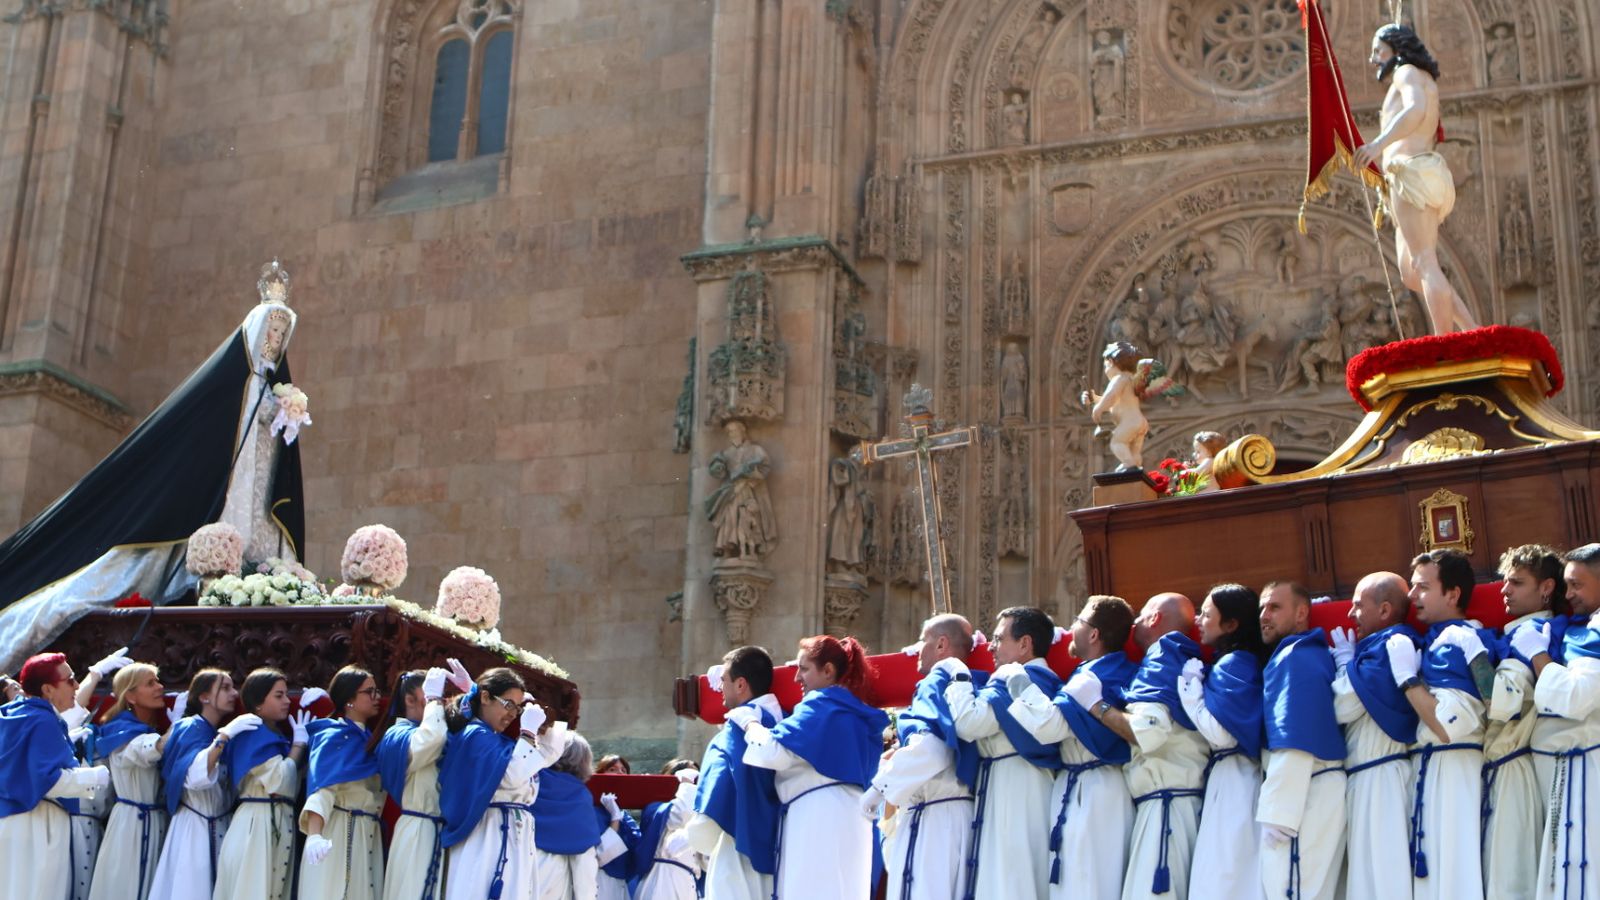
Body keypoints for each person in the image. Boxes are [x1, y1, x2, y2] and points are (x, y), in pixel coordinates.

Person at [0, 280, 307, 674]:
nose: (276, 339)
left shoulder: (274, 388)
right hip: (222, 497)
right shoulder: (228, 388)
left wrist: (286, 414)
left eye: (282, 334)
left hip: (257, 497)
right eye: (272, 331)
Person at [736, 635, 889, 900]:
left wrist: (749, 722)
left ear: (828, 671)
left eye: (804, 668)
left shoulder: (821, 704)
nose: (796, 678)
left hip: (817, 819)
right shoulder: (856, 712)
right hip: (853, 820)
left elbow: (771, 751)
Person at [1008, 596, 1139, 900]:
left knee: (1093, 881)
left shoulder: (1105, 674)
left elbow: (1049, 727)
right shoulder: (1087, 672)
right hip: (1075, 785)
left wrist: (1015, 678)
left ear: (1093, 634)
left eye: (1078, 621)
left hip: (1100, 789)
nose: (1069, 628)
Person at [1353, 24, 1479, 334]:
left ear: (1396, 50)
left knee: (1424, 262)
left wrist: (1377, 145)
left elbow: (1415, 109)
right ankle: (1472, 330)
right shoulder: (1419, 77)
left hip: (1411, 173)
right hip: (1416, 175)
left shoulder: (1406, 72)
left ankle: (1444, 342)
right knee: (1411, 272)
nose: (1373, 59)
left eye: (1378, 51)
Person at [1392, 549, 1496, 900]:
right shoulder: (1437, 640)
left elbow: (1448, 725)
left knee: (1453, 876)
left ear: (1452, 594)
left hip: (1455, 769)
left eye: (1422, 587)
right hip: (1435, 768)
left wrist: (1407, 678)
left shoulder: (1459, 641)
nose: (1411, 596)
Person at [1092, 593, 1205, 900]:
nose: (1135, 624)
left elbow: (1147, 732)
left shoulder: (1163, 656)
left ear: (1155, 618)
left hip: (1166, 812)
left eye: (1140, 616)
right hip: (1172, 806)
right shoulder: (1176, 657)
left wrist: (1096, 705)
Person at [863, 614, 983, 900]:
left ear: (941, 644)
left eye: (923, 640)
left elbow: (933, 748)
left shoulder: (937, 679)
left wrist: (878, 789)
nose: (917, 649)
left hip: (934, 819)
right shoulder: (974, 682)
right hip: (961, 816)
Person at [944, 607, 1061, 899]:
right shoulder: (1044, 680)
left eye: (999, 638)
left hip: (1015, 789)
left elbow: (968, 724)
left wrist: (958, 674)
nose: (991, 647)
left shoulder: (1015, 680)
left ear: (1025, 644)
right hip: (1023, 784)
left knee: (1011, 878)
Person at [1507, 543, 1600, 900]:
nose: (1569, 594)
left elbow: (1573, 698)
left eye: (1577, 585)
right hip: (1567, 770)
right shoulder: (1583, 626)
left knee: (1581, 875)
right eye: (1566, 584)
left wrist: (1538, 654)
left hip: (1584, 769)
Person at [439, 668, 569, 900]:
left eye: (517, 708)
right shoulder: (475, 735)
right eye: (508, 704)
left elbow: (544, 758)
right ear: (486, 698)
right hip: (488, 836)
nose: (512, 714)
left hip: (512, 835)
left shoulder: (494, 738)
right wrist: (527, 731)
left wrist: (543, 725)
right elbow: (512, 775)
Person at [1329, 572, 1420, 900]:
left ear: (1384, 611)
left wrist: (1343, 667)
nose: (1350, 615)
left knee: (1385, 876)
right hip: (1367, 777)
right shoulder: (1373, 650)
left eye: (1357, 606)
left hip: (1382, 778)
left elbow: (1343, 705)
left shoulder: (1389, 646)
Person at [1484, 545, 1566, 900]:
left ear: (1546, 587)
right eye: (1505, 581)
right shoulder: (1514, 634)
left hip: (1516, 770)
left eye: (1516, 582)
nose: (1505, 590)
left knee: (1511, 879)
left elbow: (1501, 706)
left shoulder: (1539, 635)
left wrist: (1470, 660)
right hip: (1501, 770)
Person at [1256, 582, 1346, 900]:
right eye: (1262, 609)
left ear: (1301, 613)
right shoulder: (1307, 653)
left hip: (1304, 796)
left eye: (1274, 607)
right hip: (1314, 790)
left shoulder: (1294, 657)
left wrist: (1278, 814)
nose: (1264, 616)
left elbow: (1295, 738)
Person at [1178, 585, 1266, 900]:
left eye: (1206, 614)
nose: (1198, 620)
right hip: (1234, 778)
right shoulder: (1236, 661)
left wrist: (1190, 691)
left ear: (1231, 625)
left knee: (1225, 875)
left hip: (1236, 781)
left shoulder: (1235, 663)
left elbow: (1223, 733)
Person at [0, 652, 112, 900]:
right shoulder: (42, 720)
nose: (75, 685)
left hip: (11, 823)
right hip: (39, 825)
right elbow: (50, 781)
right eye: (70, 679)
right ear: (48, 689)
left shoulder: (11, 715)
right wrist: (96, 776)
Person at [686, 646, 783, 900]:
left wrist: (693, 836)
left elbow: (705, 829)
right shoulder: (785, 723)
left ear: (741, 685)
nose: (719, 687)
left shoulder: (732, 734)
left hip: (737, 857)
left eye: (724, 680)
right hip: (783, 856)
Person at [149, 669, 255, 900]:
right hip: (194, 829)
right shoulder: (190, 727)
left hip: (221, 825)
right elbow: (193, 777)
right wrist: (224, 737)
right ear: (204, 697)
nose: (234, 693)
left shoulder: (213, 731)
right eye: (225, 688)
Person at [212, 669, 312, 900]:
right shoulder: (252, 734)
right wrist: (298, 746)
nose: (287, 701)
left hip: (273, 820)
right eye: (279, 695)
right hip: (257, 826)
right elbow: (279, 780)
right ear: (258, 702)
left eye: (286, 695)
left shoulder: (273, 735)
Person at [379, 662, 470, 900]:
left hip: (443, 832)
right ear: (410, 700)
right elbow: (430, 740)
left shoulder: (440, 729)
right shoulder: (398, 736)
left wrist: (471, 691)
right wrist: (433, 700)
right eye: (432, 695)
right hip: (417, 831)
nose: (440, 702)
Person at [299, 666, 385, 900]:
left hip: (367, 833)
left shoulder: (370, 738)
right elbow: (322, 789)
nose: (377, 697)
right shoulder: (334, 736)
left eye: (377, 691)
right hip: (339, 831)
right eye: (370, 692)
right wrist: (314, 835)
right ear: (349, 699)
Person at [86, 661, 170, 900]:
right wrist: (181, 728)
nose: (160, 687)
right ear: (130, 696)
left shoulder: (147, 728)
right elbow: (142, 752)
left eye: (158, 681)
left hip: (154, 822)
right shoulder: (120, 731)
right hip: (131, 825)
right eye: (150, 683)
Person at [63, 646, 137, 900]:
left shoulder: (103, 737)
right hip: (67, 827)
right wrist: (95, 674)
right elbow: (69, 713)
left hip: (99, 828)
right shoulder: (59, 731)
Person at [531, 732, 630, 900]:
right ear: (583, 760)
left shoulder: (529, 783)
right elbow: (584, 859)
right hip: (556, 879)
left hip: (523, 872)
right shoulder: (578, 795)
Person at [632, 760, 702, 900]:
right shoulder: (656, 809)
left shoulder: (698, 814)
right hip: (662, 881)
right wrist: (687, 783)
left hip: (688, 883)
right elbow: (680, 816)